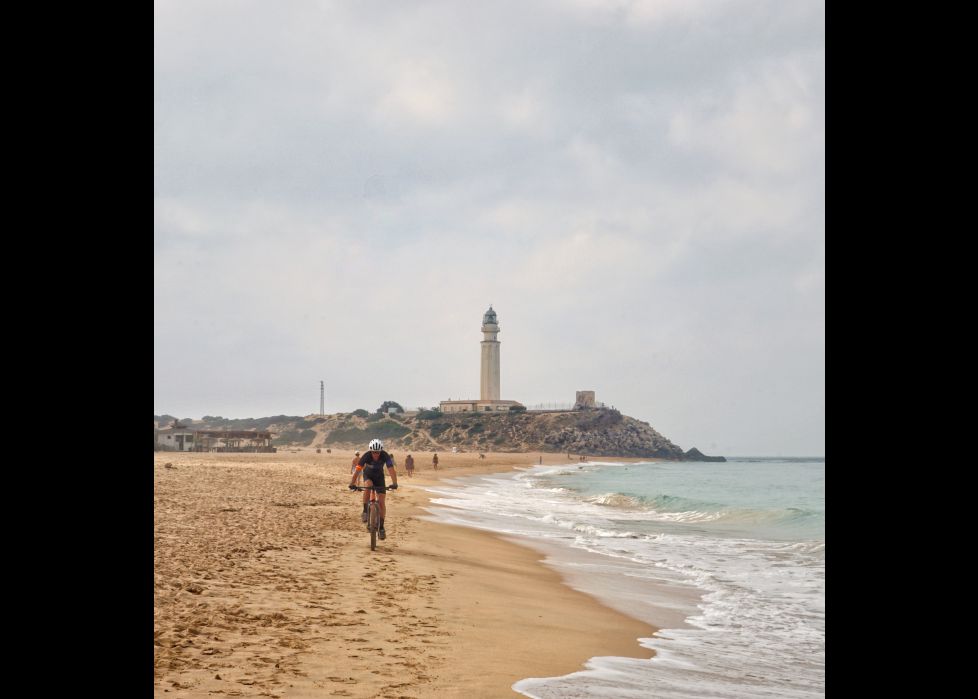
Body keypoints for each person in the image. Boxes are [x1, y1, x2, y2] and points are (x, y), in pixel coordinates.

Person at [349, 439, 398, 540]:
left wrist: (395, 483)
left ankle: (382, 527)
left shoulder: (385, 455)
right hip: (368, 475)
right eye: (374, 452)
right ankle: (365, 511)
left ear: (381, 451)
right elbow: (357, 470)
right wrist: (352, 483)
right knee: (368, 485)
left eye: (378, 452)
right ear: (370, 451)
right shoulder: (366, 456)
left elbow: (391, 470)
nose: (376, 454)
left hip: (380, 477)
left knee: (381, 502)